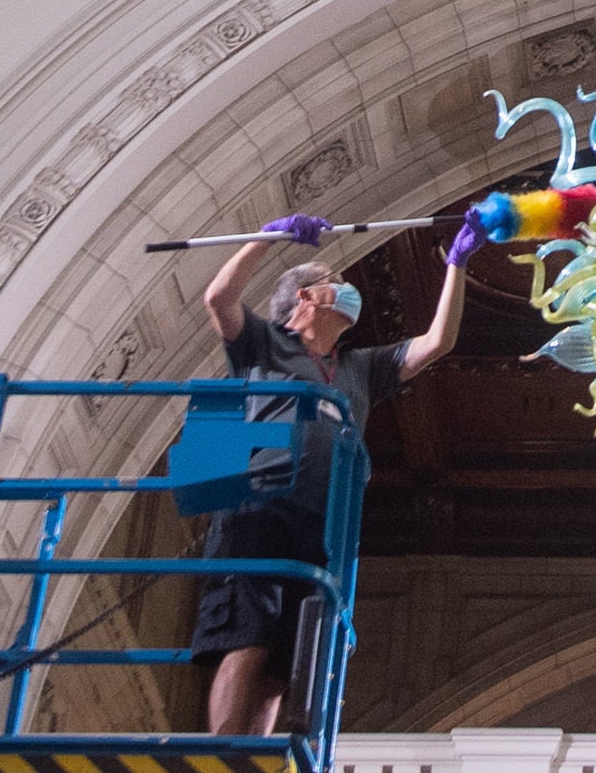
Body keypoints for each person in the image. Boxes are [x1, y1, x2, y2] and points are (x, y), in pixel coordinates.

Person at [191, 216, 471, 736]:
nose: (347, 291)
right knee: (248, 638)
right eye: (334, 282)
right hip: (257, 507)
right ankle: (222, 755)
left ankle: (253, 759)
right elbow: (218, 298)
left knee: (283, 663)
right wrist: (269, 239)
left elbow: (437, 342)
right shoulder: (264, 344)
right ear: (304, 297)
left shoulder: (359, 367)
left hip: (319, 523)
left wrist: (455, 263)